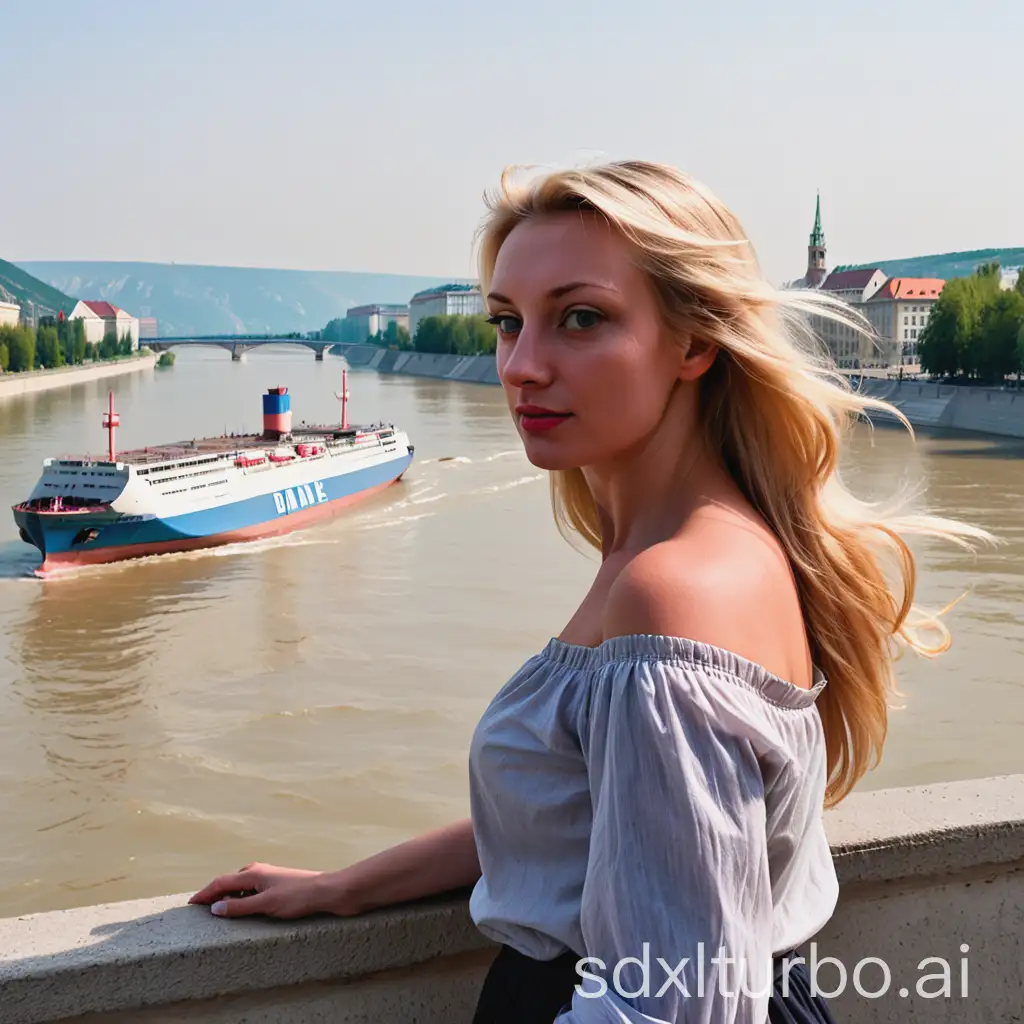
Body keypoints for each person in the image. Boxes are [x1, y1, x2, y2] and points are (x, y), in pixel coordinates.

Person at [189, 161, 990, 1021]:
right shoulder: (712, 542)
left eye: (580, 319)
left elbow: (678, 1005)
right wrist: (348, 886)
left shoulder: (670, 591)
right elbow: (592, 818)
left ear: (694, 343)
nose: (521, 366)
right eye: (506, 323)